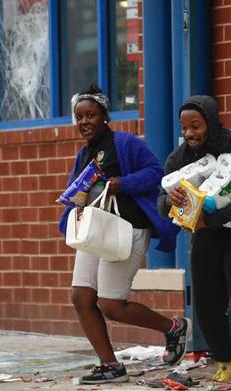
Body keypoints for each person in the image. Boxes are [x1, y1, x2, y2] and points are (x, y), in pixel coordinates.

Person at [58, 83, 189, 385]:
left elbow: (156, 172)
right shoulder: (84, 154)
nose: (84, 122)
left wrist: (121, 183)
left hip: (126, 229)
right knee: (81, 297)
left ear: (105, 116)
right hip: (94, 231)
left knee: (112, 305)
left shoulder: (126, 143)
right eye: (79, 117)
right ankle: (110, 365)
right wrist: (73, 205)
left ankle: (173, 327)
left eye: (91, 115)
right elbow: (77, 189)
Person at [158, 95, 231, 387]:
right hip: (206, 233)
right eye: (184, 127)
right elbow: (160, 202)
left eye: (196, 125)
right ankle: (225, 359)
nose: (189, 133)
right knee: (205, 299)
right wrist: (171, 200)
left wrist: (211, 219)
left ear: (211, 121)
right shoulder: (178, 159)